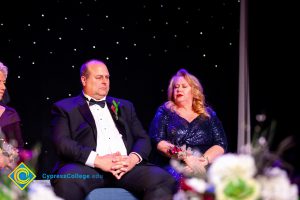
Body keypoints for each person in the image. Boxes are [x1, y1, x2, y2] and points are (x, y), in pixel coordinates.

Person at [50, 59, 176, 200]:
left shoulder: (124, 106)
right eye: (99, 77)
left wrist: (131, 160)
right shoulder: (64, 107)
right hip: (87, 168)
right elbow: (62, 143)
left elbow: (143, 138)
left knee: (163, 178)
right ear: (84, 80)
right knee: (68, 179)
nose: (105, 81)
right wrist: (98, 160)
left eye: (107, 77)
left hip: (126, 168)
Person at [149, 68, 227, 182]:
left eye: (184, 86)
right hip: (174, 165)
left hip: (203, 165)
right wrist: (186, 157)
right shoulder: (165, 111)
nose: (179, 89)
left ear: (194, 91)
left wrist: (202, 161)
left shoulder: (208, 114)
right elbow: (158, 141)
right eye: (176, 87)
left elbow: (220, 144)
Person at [0, 61, 24, 169]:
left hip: (8, 169)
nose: (3, 87)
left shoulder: (10, 114)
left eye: (4, 82)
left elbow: (18, 150)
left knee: (26, 182)